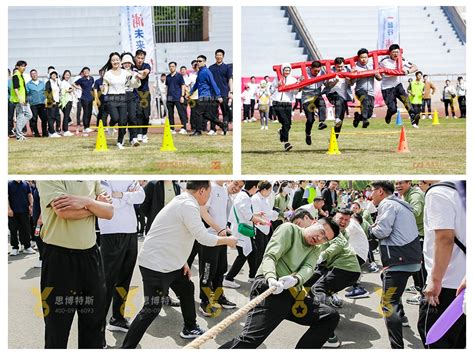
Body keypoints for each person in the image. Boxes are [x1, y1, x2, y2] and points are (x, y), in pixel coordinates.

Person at [121, 181, 238, 348]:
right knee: (151, 309)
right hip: (156, 265)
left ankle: (190, 327)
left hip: (171, 263)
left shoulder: (185, 201)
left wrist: (183, 261)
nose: (210, 196)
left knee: (186, 288)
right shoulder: (187, 205)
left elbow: (174, 234)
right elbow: (203, 237)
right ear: (202, 191)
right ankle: (126, 348)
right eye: (210, 192)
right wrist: (227, 240)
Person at [220, 220, 340, 349]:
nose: (320, 238)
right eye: (321, 232)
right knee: (250, 340)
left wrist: (295, 279)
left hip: (293, 293)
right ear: (314, 222)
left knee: (329, 316)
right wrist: (271, 278)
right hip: (270, 286)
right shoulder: (289, 230)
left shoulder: (316, 248)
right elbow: (270, 256)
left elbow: (309, 268)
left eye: (325, 238)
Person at [36, 180, 114, 348]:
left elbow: (109, 212)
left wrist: (85, 202)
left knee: (94, 324)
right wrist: (95, 207)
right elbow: (64, 212)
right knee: (57, 327)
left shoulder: (92, 176)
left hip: (91, 256)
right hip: (59, 259)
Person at [368, 180, 422, 349]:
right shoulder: (402, 205)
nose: (370, 196)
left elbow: (382, 231)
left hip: (399, 261)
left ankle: (397, 348)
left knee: (388, 304)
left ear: (380, 192)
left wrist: (370, 228)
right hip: (409, 259)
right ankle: (403, 318)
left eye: (372, 191)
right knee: (392, 291)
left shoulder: (388, 204)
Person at [417, 181, 466, 348]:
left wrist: (435, 279)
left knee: (436, 339)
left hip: (447, 284)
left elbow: (445, 238)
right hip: (465, 281)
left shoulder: (438, 192)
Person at [305, 216, 362, 347]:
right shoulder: (317, 233)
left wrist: (322, 256)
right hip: (336, 267)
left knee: (318, 289)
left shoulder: (335, 234)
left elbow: (335, 246)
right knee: (309, 281)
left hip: (346, 268)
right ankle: (316, 311)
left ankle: (328, 334)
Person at [97, 181, 145, 335]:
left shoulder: (130, 177)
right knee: (107, 281)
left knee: (125, 278)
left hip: (130, 230)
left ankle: (117, 318)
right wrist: (129, 196)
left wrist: (122, 194)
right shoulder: (104, 177)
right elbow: (108, 203)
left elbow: (141, 196)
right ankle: (99, 330)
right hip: (111, 230)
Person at [198, 180, 244, 316]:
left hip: (222, 236)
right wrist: (219, 229)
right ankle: (204, 301)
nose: (236, 188)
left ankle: (218, 297)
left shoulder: (224, 190)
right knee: (207, 272)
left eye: (240, 186)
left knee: (220, 269)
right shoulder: (208, 187)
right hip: (209, 237)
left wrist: (225, 229)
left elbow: (219, 214)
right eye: (236, 184)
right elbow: (203, 212)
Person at [224, 181, 268, 289]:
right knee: (243, 255)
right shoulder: (244, 197)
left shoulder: (243, 196)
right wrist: (261, 221)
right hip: (242, 232)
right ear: (253, 187)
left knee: (252, 252)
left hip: (241, 230)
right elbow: (248, 216)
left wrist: (257, 215)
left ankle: (253, 276)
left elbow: (244, 213)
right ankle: (229, 278)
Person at [395, 180, 426, 306]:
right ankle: (418, 287)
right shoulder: (405, 194)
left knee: (420, 266)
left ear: (409, 183)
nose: (398, 186)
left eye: (401, 183)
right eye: (396, 183)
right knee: (415, 265)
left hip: (421, 235)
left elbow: (416, 211)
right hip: (413, 234)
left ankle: (423, 293)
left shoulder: (415, 195)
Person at [102, 52, 140, 149]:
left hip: (123, 98)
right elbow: (105, 86)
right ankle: (111, 125)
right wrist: (103, 90)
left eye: (117, 60)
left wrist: (138, 78)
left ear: (120, 61)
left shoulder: (125, 73)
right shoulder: (108, 74)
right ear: (110, 62)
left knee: (123, 121)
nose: (115, 61)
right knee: (115, 118)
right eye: (113, 60)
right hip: (112, 98)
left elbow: (134, 84)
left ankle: (119, 142)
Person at [379, 44, 420, 127]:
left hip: (397, 85)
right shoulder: (384, 61)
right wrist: (378, 76)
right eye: (393, 52)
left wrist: (408, 71)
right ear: (390, 53)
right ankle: (389, 114)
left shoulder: (401, 60)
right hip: (387, 88)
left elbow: (415, 67)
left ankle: (413, 120)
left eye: (397, 52)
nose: (395, 54)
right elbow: (378, 74)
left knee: (407, 101)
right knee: (393, 109)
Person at [188, 55, 226, 136]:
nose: (198, 62)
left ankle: (198, 131)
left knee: (197, 113)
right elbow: (197, 84)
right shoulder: (200, 72)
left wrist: (218, 95)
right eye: (197, 61)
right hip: (201, 96)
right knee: (206, 115)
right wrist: (191, 92)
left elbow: (213, 83)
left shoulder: (206, 72)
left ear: (205, 62)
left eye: (200, 61)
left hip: (206, 96)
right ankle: (222, 125)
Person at [351, 48, 382, 129]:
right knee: (365, 100)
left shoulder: (372, 66)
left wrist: (378, 75)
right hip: (360, 91)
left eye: (365, 57)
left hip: (371, 92)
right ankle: (364, 120)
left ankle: (358, 117)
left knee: (370, 113)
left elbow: (379, 78)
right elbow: (351, 83)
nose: (364, 59)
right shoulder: (356, 68)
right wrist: (353, 75)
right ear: (358, 58)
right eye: (362, 57)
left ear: (368, 57)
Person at [270, 63, 298, 151]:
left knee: (288, 124)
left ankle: (282, 132)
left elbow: (295, 92)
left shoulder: (293, 79)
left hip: (288, 103)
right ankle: (286, 142)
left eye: (288, 70)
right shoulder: (276, 79)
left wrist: (298, 86)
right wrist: (276, 85)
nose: (287, 72)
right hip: (278, 103)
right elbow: (271, 90)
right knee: (285, 122)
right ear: (282, 70)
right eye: (285, 70)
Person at [251, 181, 279, 269]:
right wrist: (273, 214)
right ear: (264, 190)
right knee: (259, 251)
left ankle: (260, 269)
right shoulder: (256, 198)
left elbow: (268, 211)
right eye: (269, 190)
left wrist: (273, 214)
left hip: (265, 227)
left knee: (264, 250)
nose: (270, 192)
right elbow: (258, 214)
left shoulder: (265, 198)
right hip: (258, 227)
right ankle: (256, 272)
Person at [301, 61, 328, 145]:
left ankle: (321, 122)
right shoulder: (305, 74)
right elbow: (299, 88)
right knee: (310, 120)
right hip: (307, 98)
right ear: (311, 68)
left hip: (317, 95)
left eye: (318, 71)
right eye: (315, 71)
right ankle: (308, 134)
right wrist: (301, 82)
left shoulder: (322, 72)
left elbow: (327, 84)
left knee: (322, 104)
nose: (317, 73)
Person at [326, 57, 353, 136]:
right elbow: (328, 85)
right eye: (338, 67)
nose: (340, 68)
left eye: (342, 66)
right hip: (332, 93)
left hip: (344, 95)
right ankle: (336, 118)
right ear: (335, 65)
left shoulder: (347, 70)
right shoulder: (330, 71)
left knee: (342, 117)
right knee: (339, 99)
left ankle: (335, 136)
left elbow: (352, 83)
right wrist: (334, 82)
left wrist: (349, 80)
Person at [8, 180, 36, 256]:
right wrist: (8, 209)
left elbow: (29, 195)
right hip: (13, 211)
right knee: (13, 229)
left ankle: (27, 246)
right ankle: (15, 247)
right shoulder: (9, 184)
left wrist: (31, 205)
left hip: (24, 210)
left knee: (25, 229)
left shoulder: (25, 184)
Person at [209, 49, 232, 135]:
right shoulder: (211, 68)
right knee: (213, 112)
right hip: (213, 93)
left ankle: (224, 129)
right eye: (217, 55)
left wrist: (231, 91)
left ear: (223, 56)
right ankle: (213, 129)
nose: (219, 56)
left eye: (220, 55)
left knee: (225, 112)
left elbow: (230, 80)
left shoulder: (227, 68)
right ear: (215, 56)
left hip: (224, 93)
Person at [121, 52, 141, 145]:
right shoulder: (118, 73)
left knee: (133, 117)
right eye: (125, 63)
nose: (127, 64)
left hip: (131, 95)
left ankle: (133, 138)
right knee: (123, 119)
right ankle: (121, 138)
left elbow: (137, 85)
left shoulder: (134, 72)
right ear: (122, 64)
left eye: (129, 63)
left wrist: (137, 78)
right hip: (120, 96)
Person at [10, 60, 33, 140]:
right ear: (17, 66)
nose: (24, 68)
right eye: (22, 66)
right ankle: (18, 134)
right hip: (19, 100)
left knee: (28, 114)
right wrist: (20, 99)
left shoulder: (20, 75)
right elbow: (15, 88)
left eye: (25, 66)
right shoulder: (16, 75)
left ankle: (17, 130)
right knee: (22, 115)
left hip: (23, 99)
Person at [134, 49, 151, 143]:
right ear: (135, 57)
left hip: (145, 93)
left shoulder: (147, 65)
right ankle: (139, 133)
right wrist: (141, 73)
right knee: (138, 113)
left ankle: (145, 134)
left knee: (146, 114)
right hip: (135, 93)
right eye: (138, 58)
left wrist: (138, 73)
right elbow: (142, 74)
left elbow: (145, 74)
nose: (140, 60)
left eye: (142, 58)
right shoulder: (132, 66)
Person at [165, 61, 188, 135]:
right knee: (170, 114)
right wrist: (166, 96)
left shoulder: (179, 76)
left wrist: (182, 96)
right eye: (170, 66)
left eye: (173, 66)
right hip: (170, 97)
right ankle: (172, 128)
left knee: (181, 113)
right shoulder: (168, 77)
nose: (171, 68)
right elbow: (167, 87)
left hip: (178, 97)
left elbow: (182, 86)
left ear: (175, 67)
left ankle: (183, 128)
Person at [26, 69, 47, 137]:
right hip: (33, 104)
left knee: (44, 118)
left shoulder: (42, 83)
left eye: (35, 73)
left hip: (42, 103)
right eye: (32, 74)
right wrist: (29, 101)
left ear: (37, 74)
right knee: (34, 119)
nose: (34, 75)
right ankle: (36, 133)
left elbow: (46, 92)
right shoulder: (28, 84)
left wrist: (47, 101)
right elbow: (27, 94)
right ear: (30, 75)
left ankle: (44, 133)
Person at [74, 66, 95, 133]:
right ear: (83, 73)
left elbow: (92, 86)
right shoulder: (81, 79)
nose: (86, 72)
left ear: (89, 72)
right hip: (84, 98)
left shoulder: (92, 78)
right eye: (85, 71)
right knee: (85, 112)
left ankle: (88, 126)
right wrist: (79, 88)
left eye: (87, 71)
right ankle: (85, 127)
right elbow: (74, 84)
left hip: (90, 97)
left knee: (90, 112)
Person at [44, 70, 62, 138]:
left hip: (57, 102)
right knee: (51, 117)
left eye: (55, 74)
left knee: (57, 117)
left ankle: (53, 130)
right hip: (50, 102)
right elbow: (46, 92)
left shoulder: (57, 82)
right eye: (52, 74)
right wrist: (52, 100)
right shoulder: (48, 83)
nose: (54, 75)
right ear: (50, 76)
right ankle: (52, 132)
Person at [59, 70, 74, 136]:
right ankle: (65, 130)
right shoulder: (63, 82)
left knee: (66, 116)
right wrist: (70, 90)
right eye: (66, 75)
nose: (67, 76)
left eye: (68, 75)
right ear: (63, 75)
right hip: (66, 101)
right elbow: (63, 91)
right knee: (66, 116)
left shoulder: (67, 82)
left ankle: (64, 130)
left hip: (69, 100)